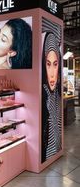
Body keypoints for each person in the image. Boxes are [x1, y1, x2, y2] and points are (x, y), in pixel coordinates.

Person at [42, 32, 62, 163]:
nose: (52, 75)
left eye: (55, 64)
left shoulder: (56, 98)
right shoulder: (43, 99)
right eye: (48, 64)